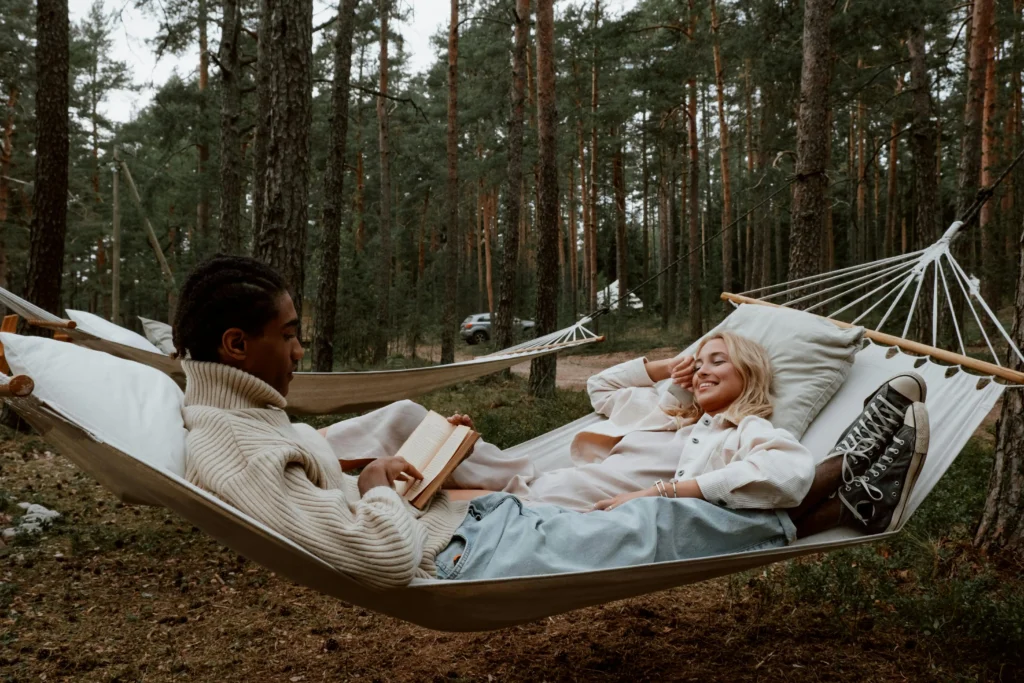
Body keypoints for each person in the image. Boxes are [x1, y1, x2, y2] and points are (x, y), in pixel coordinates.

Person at [176, 255, 929, 588]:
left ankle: (843, 491)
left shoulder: (240, 421)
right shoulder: (232, 441)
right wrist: (375, 480)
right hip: (474, 537)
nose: (302, 348)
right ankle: (838, 482)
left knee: (669, 521)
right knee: (663, 526)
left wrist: (371, 473)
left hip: (489, 518)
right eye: (291, 332)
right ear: (237, 345)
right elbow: (371, 555)